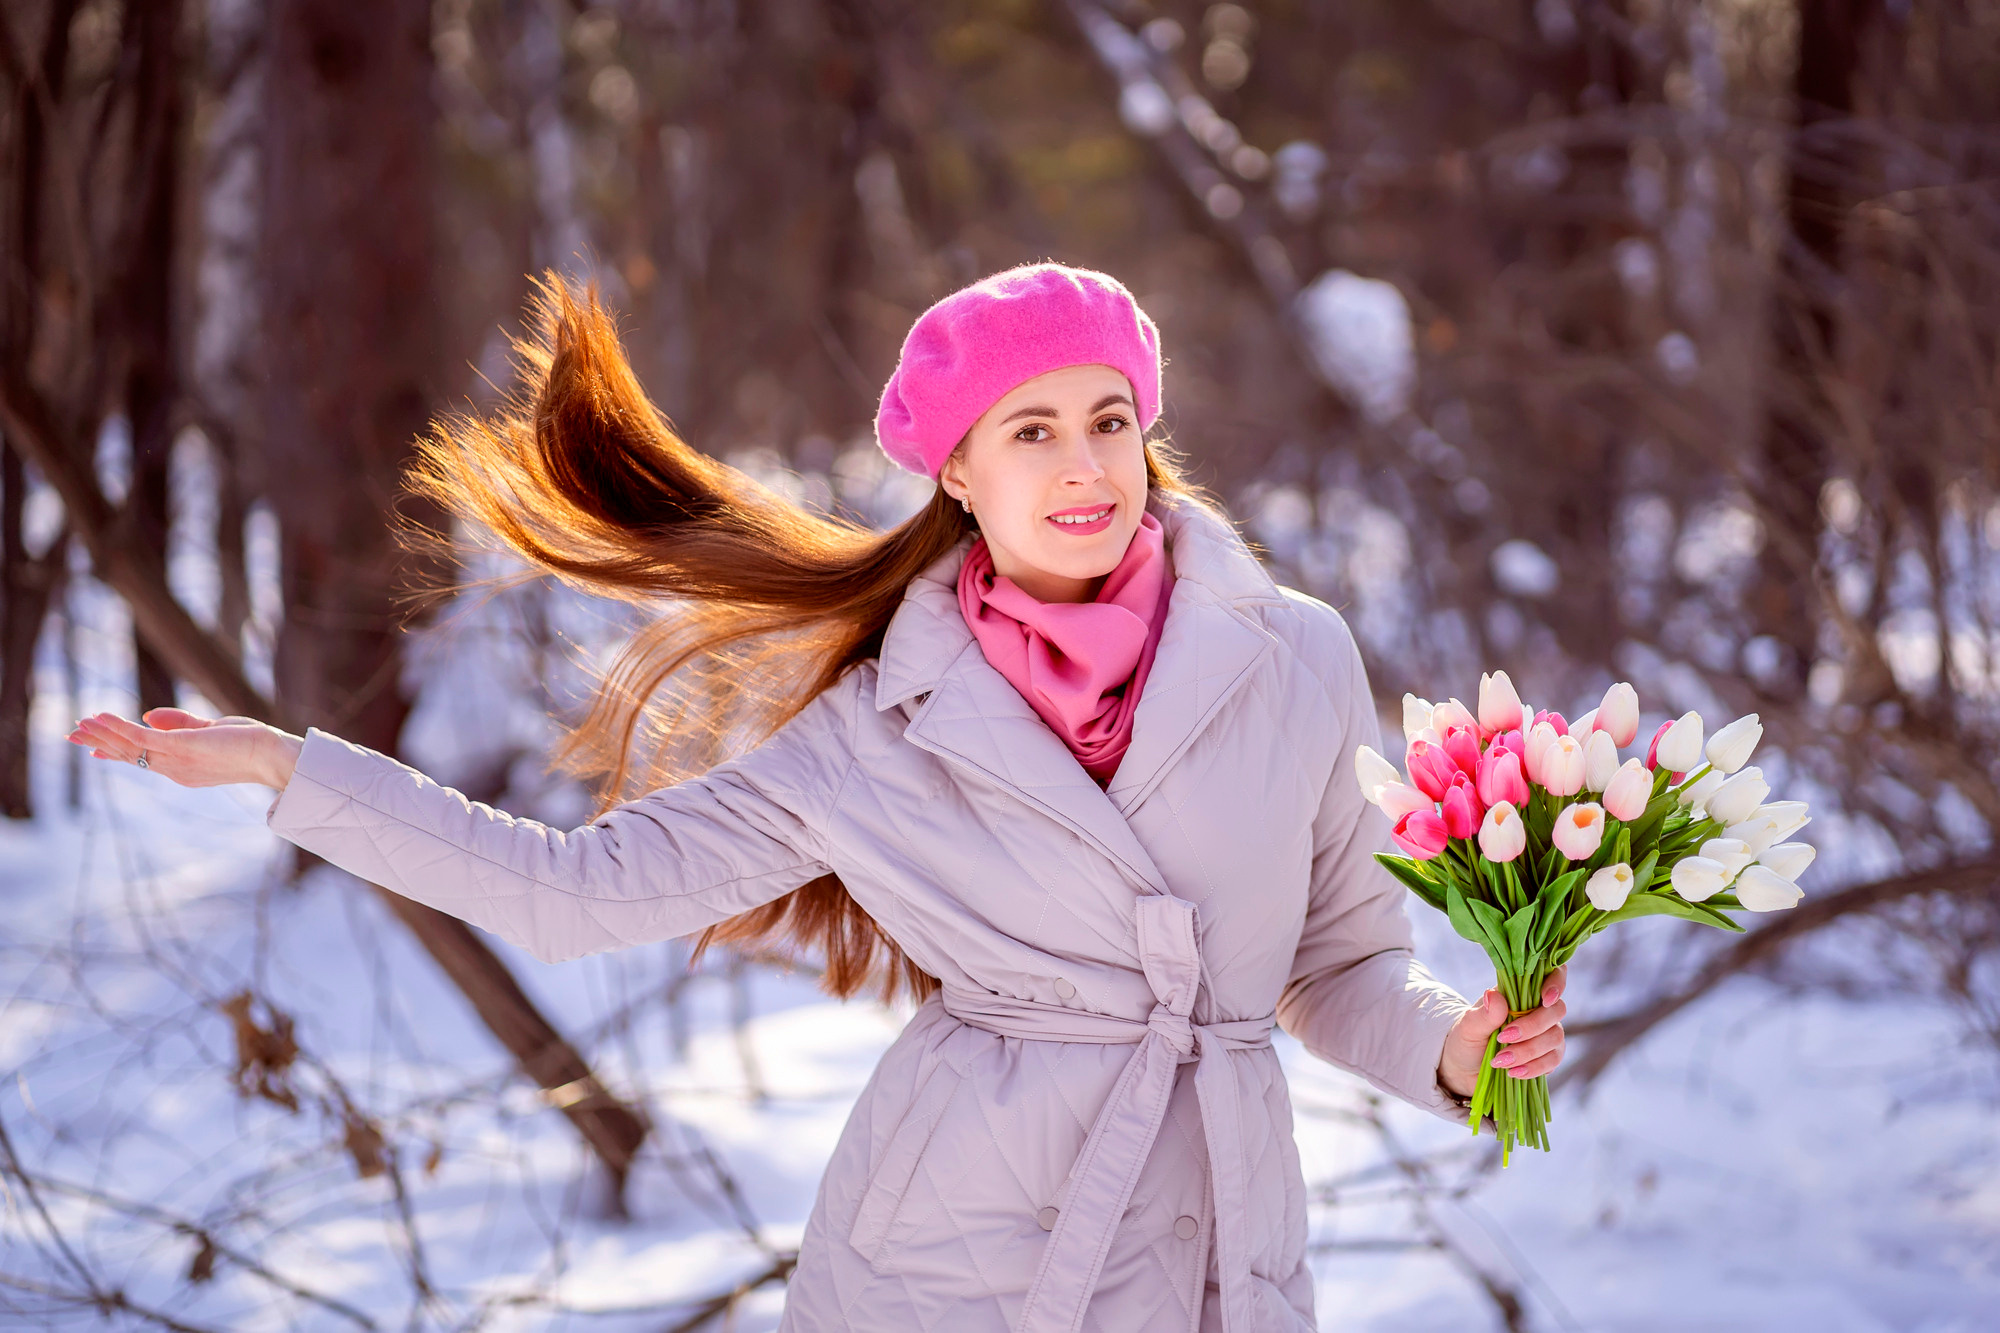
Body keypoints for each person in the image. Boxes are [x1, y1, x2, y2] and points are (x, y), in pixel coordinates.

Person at [67, 261, 1566, 1332]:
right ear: (960, 475)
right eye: (1030, 430)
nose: (1083, 462)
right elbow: (572, 893)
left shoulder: (1290, 654)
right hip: (952, 1261)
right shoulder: (878, 731)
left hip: (1226, 1255)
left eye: (1108, 418)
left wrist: (1457, 1042)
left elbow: (1334, 963)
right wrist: (290, 770)